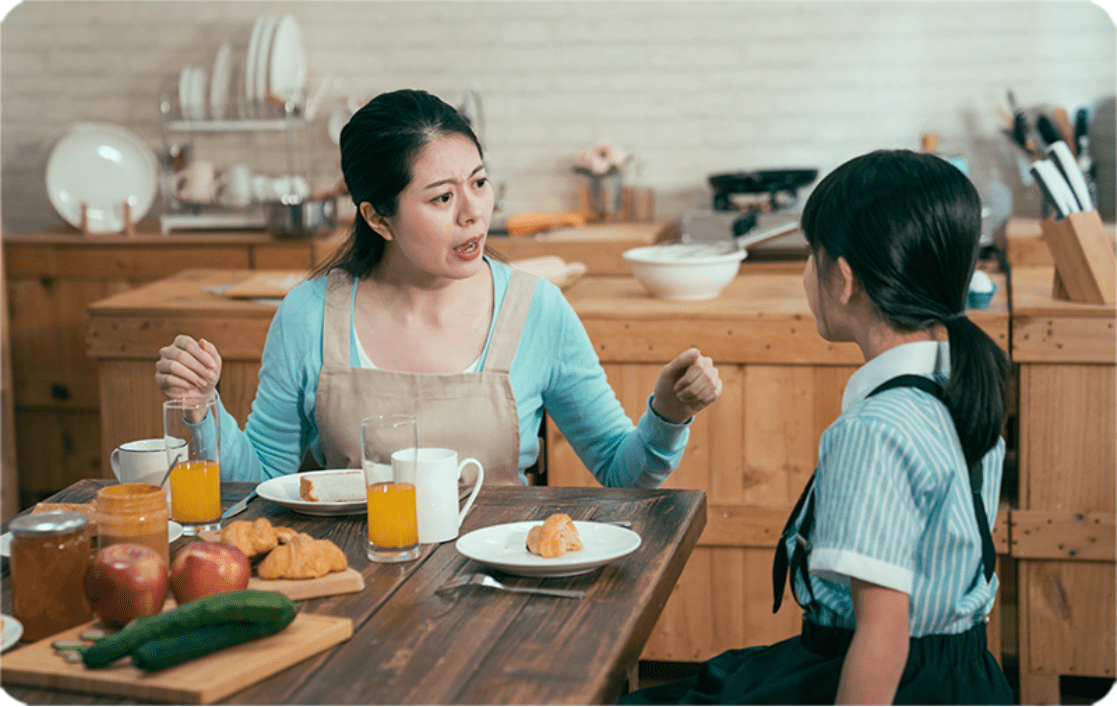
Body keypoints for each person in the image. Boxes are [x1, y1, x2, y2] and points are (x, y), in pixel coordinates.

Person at [155, 88, 722, 487]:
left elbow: (624, 473)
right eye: (442, 197)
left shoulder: (535, 309)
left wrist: (667, 414)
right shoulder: (309, 314)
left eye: (479, 182)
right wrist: (203, 409)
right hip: (354, 588)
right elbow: (265, 486)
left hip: (501, 586)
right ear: (378, 218)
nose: (474, 213)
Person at [621, 150, 1014, 705]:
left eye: (812, 254)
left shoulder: (874, 430)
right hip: (965, 675)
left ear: (844, 278)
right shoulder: (962, 386)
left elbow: (883, 635)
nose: (808, 271)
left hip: (891, 680)